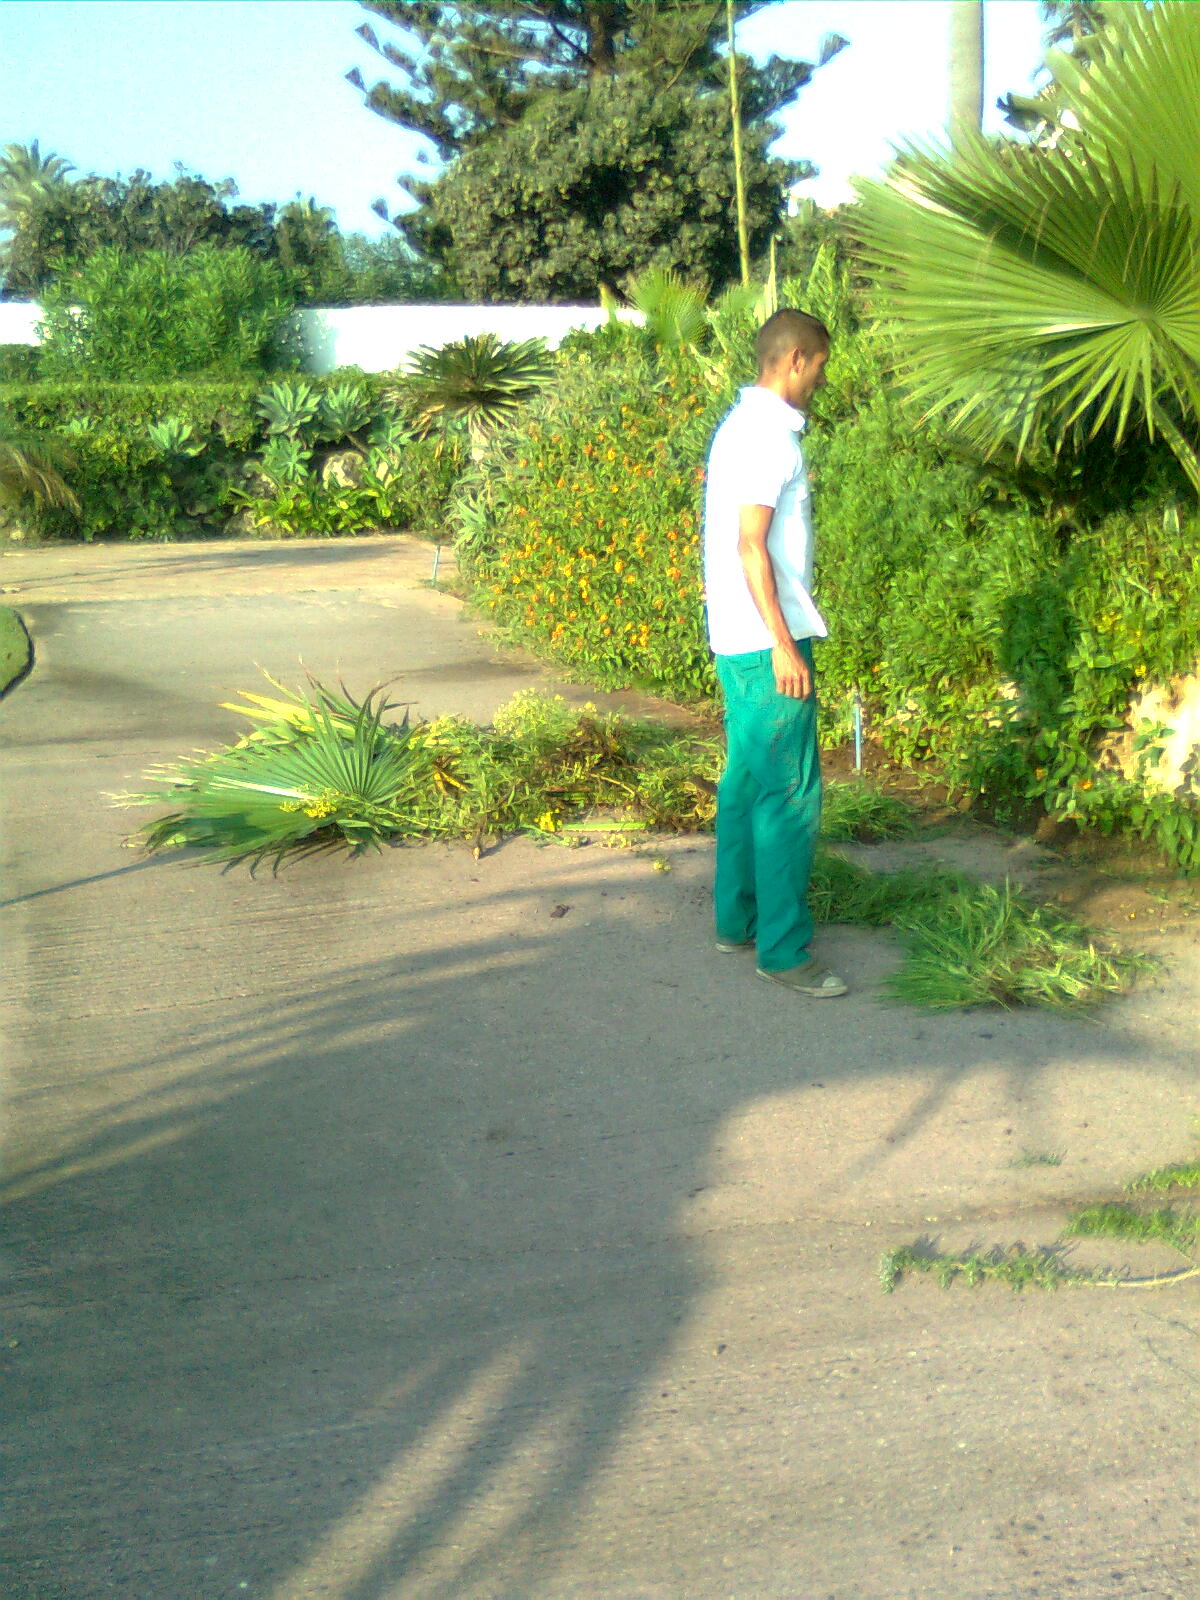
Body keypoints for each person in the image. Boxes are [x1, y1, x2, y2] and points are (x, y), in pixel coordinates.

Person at [702, 307, 848, 998]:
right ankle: (785, 952)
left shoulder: (740, 426)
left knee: (747, 780)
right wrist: (785, 646)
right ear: (795, 360)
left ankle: (738, 920)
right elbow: (749, 545)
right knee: (790, 792)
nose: (821, 378)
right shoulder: (769, 438)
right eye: (819, 365)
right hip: (767, 644)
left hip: (739, 637)